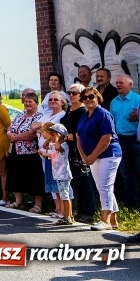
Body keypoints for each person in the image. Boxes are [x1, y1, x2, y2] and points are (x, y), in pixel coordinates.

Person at [76, 86, 122, 231]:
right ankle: (113, 221)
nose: (88, 100)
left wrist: (92, 156)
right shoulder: (84, 115)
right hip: (91, 157)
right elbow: (78, 136)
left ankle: (105, 220)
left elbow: (106, 138)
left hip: (109, 154)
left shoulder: (103, 114)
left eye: (91, 97)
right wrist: (85, 156)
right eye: (85, 98)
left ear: (98, 98)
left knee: (105, 186)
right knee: (102, 187)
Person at [60, 83, 96, 223]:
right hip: (68, 148)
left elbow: (83, 131)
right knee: (75, 180)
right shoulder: (70, 109)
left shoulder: (82, 111)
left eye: (74, 93)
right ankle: (79, 211)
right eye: (69, 92)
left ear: (81, 95)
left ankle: (88, 212)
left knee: (83, 180)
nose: (71, 95)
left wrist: (67, 136)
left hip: (78, 148)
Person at [4, 90, 44, 212]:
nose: (27, 104)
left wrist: (16, 137)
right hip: (15, 150)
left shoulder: (39, 116)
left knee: (34, 177)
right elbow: (11, 126)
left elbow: (33, 134)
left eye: (30, 102)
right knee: (16, 176)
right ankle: (18, 201)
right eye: (25, 102)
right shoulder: (21, 114)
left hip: (30, 152)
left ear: (36, 103)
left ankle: (38, 204)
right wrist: (9, 133)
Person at [108, 74, 140, 209]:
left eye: (121, 83)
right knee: (125, 172)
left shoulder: (138, 99)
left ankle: (138, 201)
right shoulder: (114, 101)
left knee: (138, 171)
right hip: (120, 139)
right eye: (117, 83)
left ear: (130, 85)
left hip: (135, 139)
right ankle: (129, 201)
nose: (118, 85)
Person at [33, 90, 67, 216]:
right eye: (50, 99)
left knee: (58, 181)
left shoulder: (62, 115)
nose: (52, 101)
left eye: (56, 100)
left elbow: (52, 132)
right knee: (51, 182)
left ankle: (63, 210)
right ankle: (57, 208)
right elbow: (34, 126)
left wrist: (42, 129)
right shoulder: (47, 115)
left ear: (62, 103)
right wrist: (43, 127)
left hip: (55, 153)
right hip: (45, 153)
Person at [43, 122, 74, 225]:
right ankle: (68, 216)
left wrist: (56, 138)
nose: (51, 136)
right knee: (63, 195)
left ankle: (68, 216)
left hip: (63, 174)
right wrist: (51, 137)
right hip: (58, 174)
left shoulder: (64, 146)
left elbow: (58, 148)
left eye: (53, 134)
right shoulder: (52, 144)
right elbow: (45, 145)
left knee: (65, 196)